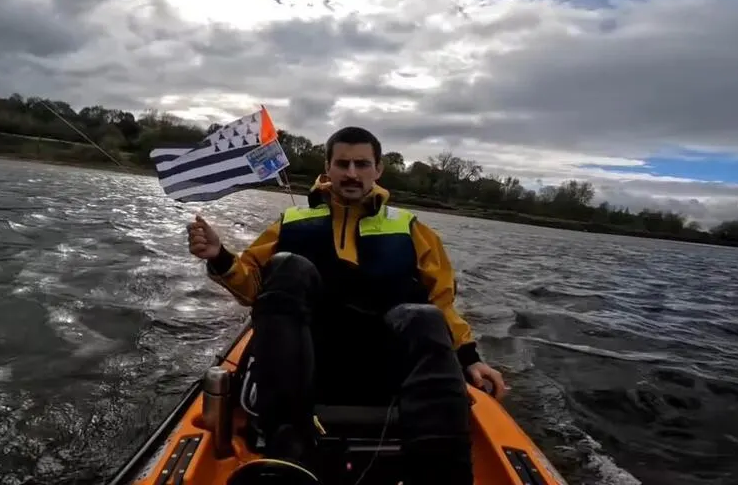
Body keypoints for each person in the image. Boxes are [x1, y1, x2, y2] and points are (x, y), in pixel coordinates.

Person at [186, 126, 507, 485]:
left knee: (423, 315)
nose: (352, 173)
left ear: (378, 169)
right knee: (288, 266)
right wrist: (219, 256)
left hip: (384, 357)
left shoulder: (412, 229)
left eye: (362, 164)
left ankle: (441, 471)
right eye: (342, 163)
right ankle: (288, 447)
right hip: (308, 353)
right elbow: (254, 290)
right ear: (328, 167)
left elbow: (442, 303)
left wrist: (470, 357)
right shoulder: (290, 223)